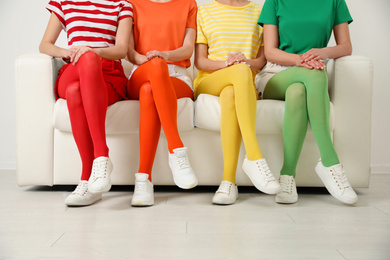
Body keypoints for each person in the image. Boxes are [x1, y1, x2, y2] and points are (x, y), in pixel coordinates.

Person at [257, 0, 358, 205]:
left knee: (298, 92)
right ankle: (330, 161)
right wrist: (300, 61)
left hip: (311, 71)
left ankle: (287, 176)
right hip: (276, 74)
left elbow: (346, 46)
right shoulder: (275, 1)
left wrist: (323, 53)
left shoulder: (334, 2)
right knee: (315, 71)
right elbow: (270, 51)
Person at [39, 0, 133, 206]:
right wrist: (70, 52)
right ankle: (102, 157)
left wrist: (94, 51)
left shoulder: (122, 5)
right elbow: (45, 45)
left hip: (107, 73)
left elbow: (121, 50)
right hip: (73, 68)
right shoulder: (65, 3)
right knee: (84, 64)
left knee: (75, 92)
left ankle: (86, 181)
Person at [194, 0, 281, 205]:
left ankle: (228, 182)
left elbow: (260, 62)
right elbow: (200, 61)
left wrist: (244, 62)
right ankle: (254, 156)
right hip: (210, 80)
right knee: (240, 70)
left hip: (243, 84)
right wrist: (229, 64)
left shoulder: (260, 11)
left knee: (231, 93)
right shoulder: (204, 11)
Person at [126, 0, 198, 206]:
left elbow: (187, 49)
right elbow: (129, 52)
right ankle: (177, 150)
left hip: (176, 76)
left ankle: (143, 179)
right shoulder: (132, 3)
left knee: (149, 91)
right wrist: (150, 60)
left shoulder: (188, 4)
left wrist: (164, 55)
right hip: (142, 70)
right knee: (156, 67)